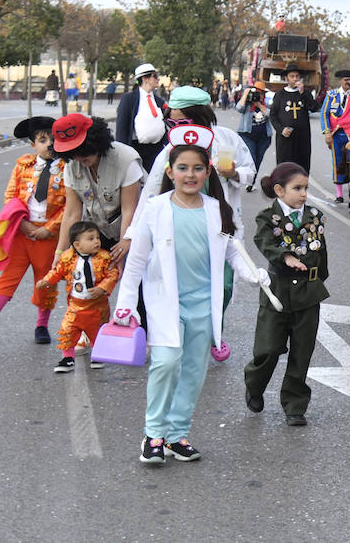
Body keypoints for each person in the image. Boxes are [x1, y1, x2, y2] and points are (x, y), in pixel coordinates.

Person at [112, 124, 267, 465]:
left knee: (194, 371)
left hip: (203, 304)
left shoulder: (217, 208)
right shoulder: (154, 208)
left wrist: (254, 275)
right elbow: (136, 263)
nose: (190, 174)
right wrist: (125, 306)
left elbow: (232, 250)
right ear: (170, 172)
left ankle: (176, 435)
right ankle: (153, 435)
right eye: (182, 168)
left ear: (208, 171)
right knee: (166, 364)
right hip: (166, 302)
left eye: (198, 168)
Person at [139, 86, 255, 316]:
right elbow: (150, 193)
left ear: (200, 116)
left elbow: (249, 171)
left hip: (221, 226)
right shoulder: (172, 149)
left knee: (223, 286)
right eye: (172, 123)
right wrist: (136, 234)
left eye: (182, 121)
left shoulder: (226, 139)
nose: (177, 129)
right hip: (182, 229)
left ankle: (213, 335)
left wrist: (233, 173)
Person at [0, 115, 67, 344]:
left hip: (48, 236)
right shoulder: (23, 165)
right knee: (8, 277)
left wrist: (50, 228)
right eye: (43, 140)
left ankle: (41, 325)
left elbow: (70, 204)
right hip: (22, 232)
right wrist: (21, 223)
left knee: (45, 282)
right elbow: (11, 197)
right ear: (33, 145)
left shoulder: (67, 167)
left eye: (52, 139)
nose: (49, 144)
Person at [244, 162, 328, 426]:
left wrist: (319, 279)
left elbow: (321, 250)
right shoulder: (267, 217)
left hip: (307, 294)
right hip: (277, 293)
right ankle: (255, 385)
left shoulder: (314, 216)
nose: (303, 194)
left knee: (302, 353)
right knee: (267, 350)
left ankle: (295, 405)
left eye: (305, 188)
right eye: (297, 188)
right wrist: (286, 257)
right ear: (279, 190)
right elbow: (264, 242)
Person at [53, 114, 144, 267]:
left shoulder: (125, 159)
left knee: (135, 282)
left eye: (83, 149)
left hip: (135, 229)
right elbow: (71, 213)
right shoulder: (71, 166)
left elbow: (130, 210)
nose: (79, 157)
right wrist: (60, 252)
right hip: (100, 231)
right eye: (72, 152)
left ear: (95, 140)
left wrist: (123, 245)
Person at [36, 221, 120, 373]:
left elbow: (113, 274)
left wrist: (102, 288)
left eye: (97, 238)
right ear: (77, 244)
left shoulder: (104, 258)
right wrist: (46, 280)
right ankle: (68, 358)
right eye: (90, 238)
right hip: (75, 305)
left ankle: (98, 355)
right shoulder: (68, 259)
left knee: (97, 331)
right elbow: (57, 272)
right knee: (68, 330)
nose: (96, 241)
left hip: (97, 306)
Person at [321, 69, 350, 214]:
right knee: (338, 162)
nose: (348, 82)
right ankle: (339, 193)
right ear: (340, 81)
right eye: (346, 80)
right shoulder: (331, 95)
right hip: (336, 134)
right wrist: (327, 132)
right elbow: (325, 114)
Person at [114, 62, 169, 172]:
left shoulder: (158, 101)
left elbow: (165, 123)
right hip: (136, 149)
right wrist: (122, 153)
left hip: (156, 149)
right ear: (145, 78)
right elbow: (122, 127)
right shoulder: (129, 99)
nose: (158, 79)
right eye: (155, 76)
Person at [270, 63, 321, 174]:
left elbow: (314, 107)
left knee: (302, 167)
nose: (295, 79)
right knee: (285, 168)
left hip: (302, 138)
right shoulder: (279, 95)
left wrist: (303, 93)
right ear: (286, 78)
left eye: (297, 76)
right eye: (292, 76)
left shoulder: (305, 93)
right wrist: (281, 129)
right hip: (285, 138)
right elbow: (273, 116)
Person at [236, 80, 274, 187]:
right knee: (252, 158)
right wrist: (245, 95)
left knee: (258, 160)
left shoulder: (266, 104)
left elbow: (270, 114)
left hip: (264, 138)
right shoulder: (247, 105)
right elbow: (239, 108)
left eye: (261, 93)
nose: (259, 95)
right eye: (257, 92)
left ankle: (251, 181)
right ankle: (249, 181)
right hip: (248, 136)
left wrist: (259, 104)